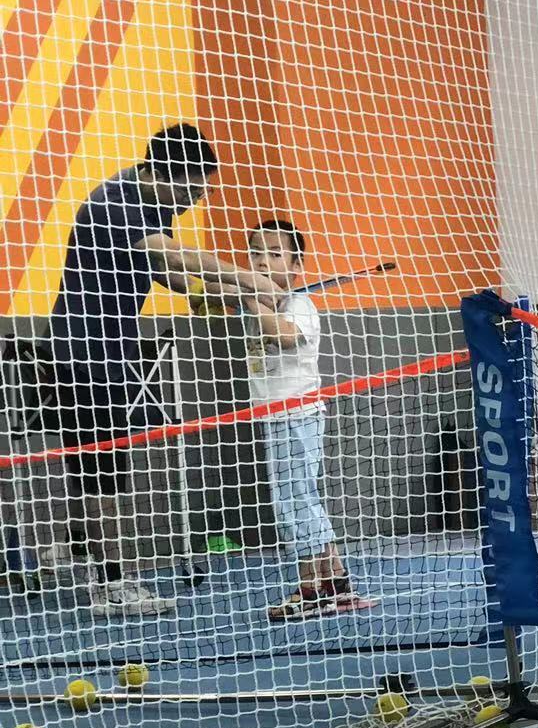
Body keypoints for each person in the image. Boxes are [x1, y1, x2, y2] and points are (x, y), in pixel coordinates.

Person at [44, 123, 288, 617]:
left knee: (92, 462)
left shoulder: (152, 204)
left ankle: (72, 547)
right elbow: (175, 253)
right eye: (192, 189)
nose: (194, 201)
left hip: (107, 350)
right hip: (83, 355)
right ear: (163, 174)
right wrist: (251, 279)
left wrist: (219, 295)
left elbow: (168, 272)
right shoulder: (115, 202)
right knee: (103, 470)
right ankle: (111, 584)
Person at [242, 219, 372, 620]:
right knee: (301, 499)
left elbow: (284, 336)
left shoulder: (299, 305)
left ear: (297, 266)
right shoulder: (267, 303)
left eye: (274, 254)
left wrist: (249, 296)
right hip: (274, 415)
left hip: (297, 415)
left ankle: (311, 588)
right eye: (256, 253)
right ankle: (336, 584)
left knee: (293, 503)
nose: (262, 261)